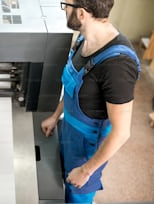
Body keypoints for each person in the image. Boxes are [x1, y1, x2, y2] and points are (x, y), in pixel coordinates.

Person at [41, 0, 140, 203]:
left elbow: (121, 133)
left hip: (88, 151)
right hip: (68, 130)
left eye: (66, 5)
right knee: (59, 182)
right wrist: (55, 116)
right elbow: (72, 89)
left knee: (77, 194)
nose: (64, 9)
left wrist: (86, 171)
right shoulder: (83, 39)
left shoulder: (118, 65)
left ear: (82, 14)